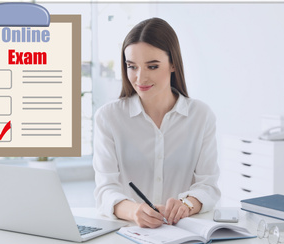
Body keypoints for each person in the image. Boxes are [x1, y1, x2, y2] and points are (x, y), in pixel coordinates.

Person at [93, 17, 220, 228]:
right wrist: (135, 211)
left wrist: (187, 204)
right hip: (129, 234)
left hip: (183, 233)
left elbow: (208, 185)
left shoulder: (201, 116)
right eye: (132, 66)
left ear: (173, 64)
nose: (140, 78)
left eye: (152, 66)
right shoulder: (108, 118)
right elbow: (105, 190)